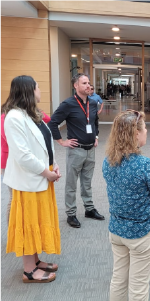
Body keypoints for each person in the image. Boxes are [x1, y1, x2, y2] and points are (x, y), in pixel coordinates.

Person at [103, 110, 150, 301]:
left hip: (116, 230)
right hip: (142, 232)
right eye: (144, 129)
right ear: (135, 134)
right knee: (139, 287)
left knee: (118, 280)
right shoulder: (145, 165)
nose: (147, 132)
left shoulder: (108, 161)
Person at [3, 75, 61, 283]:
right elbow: (23, 155)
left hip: (41, 177)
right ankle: (29, 270)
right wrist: (47, 173)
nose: (40, 91)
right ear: (28, 91)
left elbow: (45, 143)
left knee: (37, 221)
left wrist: (53, 165)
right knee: (29, 223)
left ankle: (35, 261)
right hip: (28, 181)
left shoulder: (32, 115)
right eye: (37, 87)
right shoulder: (14, 118)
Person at [48, 73, 104, 228]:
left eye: (88, 83)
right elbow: (52, 123)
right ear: (76, 86)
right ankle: (71, 213)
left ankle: (89, 209)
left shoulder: (92, 103)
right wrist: (61, 141)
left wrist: (96, 136)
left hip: (90, 149)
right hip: (76, 150)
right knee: (71, 183)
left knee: (87, 182)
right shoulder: (68, 104)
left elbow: (95, 122)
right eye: (84, 83)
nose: (88, 86)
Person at [0, 107, 51, 223]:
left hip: (23, 162)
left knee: (24, 199)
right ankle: (12, 230)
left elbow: (47, 118)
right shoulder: (7, 117)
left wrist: (34, 109)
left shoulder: (24, 115)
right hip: (10, 162)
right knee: (14, 198)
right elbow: (12, 141)